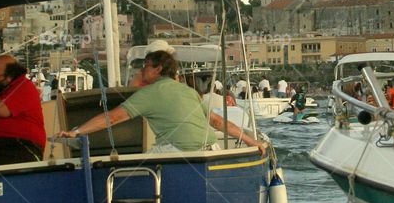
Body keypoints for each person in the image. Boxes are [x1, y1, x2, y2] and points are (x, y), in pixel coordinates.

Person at [59, 42, 266, 154]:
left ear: (158, 69)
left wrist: (76, 131)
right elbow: (217, 122)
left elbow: (112, 118)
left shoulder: (149, 93)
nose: (142, 69)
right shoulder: (188, 91)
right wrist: (252, 141)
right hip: (209, 149)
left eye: (146, 66)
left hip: (178, 151)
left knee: (134, 170)